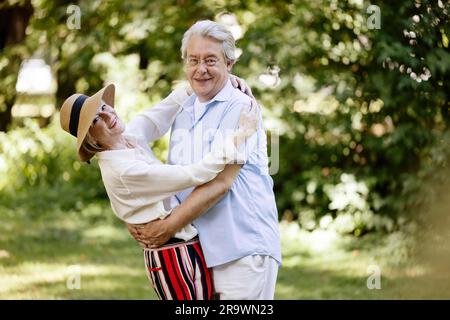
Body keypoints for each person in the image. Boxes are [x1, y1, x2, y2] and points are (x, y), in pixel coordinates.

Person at [59, 81, 259, 300]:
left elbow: (165, 109)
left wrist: (214, 78)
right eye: (96, 119)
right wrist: (241, 134)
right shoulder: (123, 170)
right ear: (91, 138)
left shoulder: (128, 138)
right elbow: (195, 174)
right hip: (170, 256)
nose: (108, 115)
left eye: (103, 107)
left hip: (183, 245)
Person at [127, 20, 282, 300]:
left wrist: (165, 228)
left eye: (211, 60)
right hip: (198, 253)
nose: (201, 69)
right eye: (193, 60)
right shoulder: (184, 108)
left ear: (229, 63)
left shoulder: (240, 107)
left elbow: (220, 183)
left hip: (242, 250)